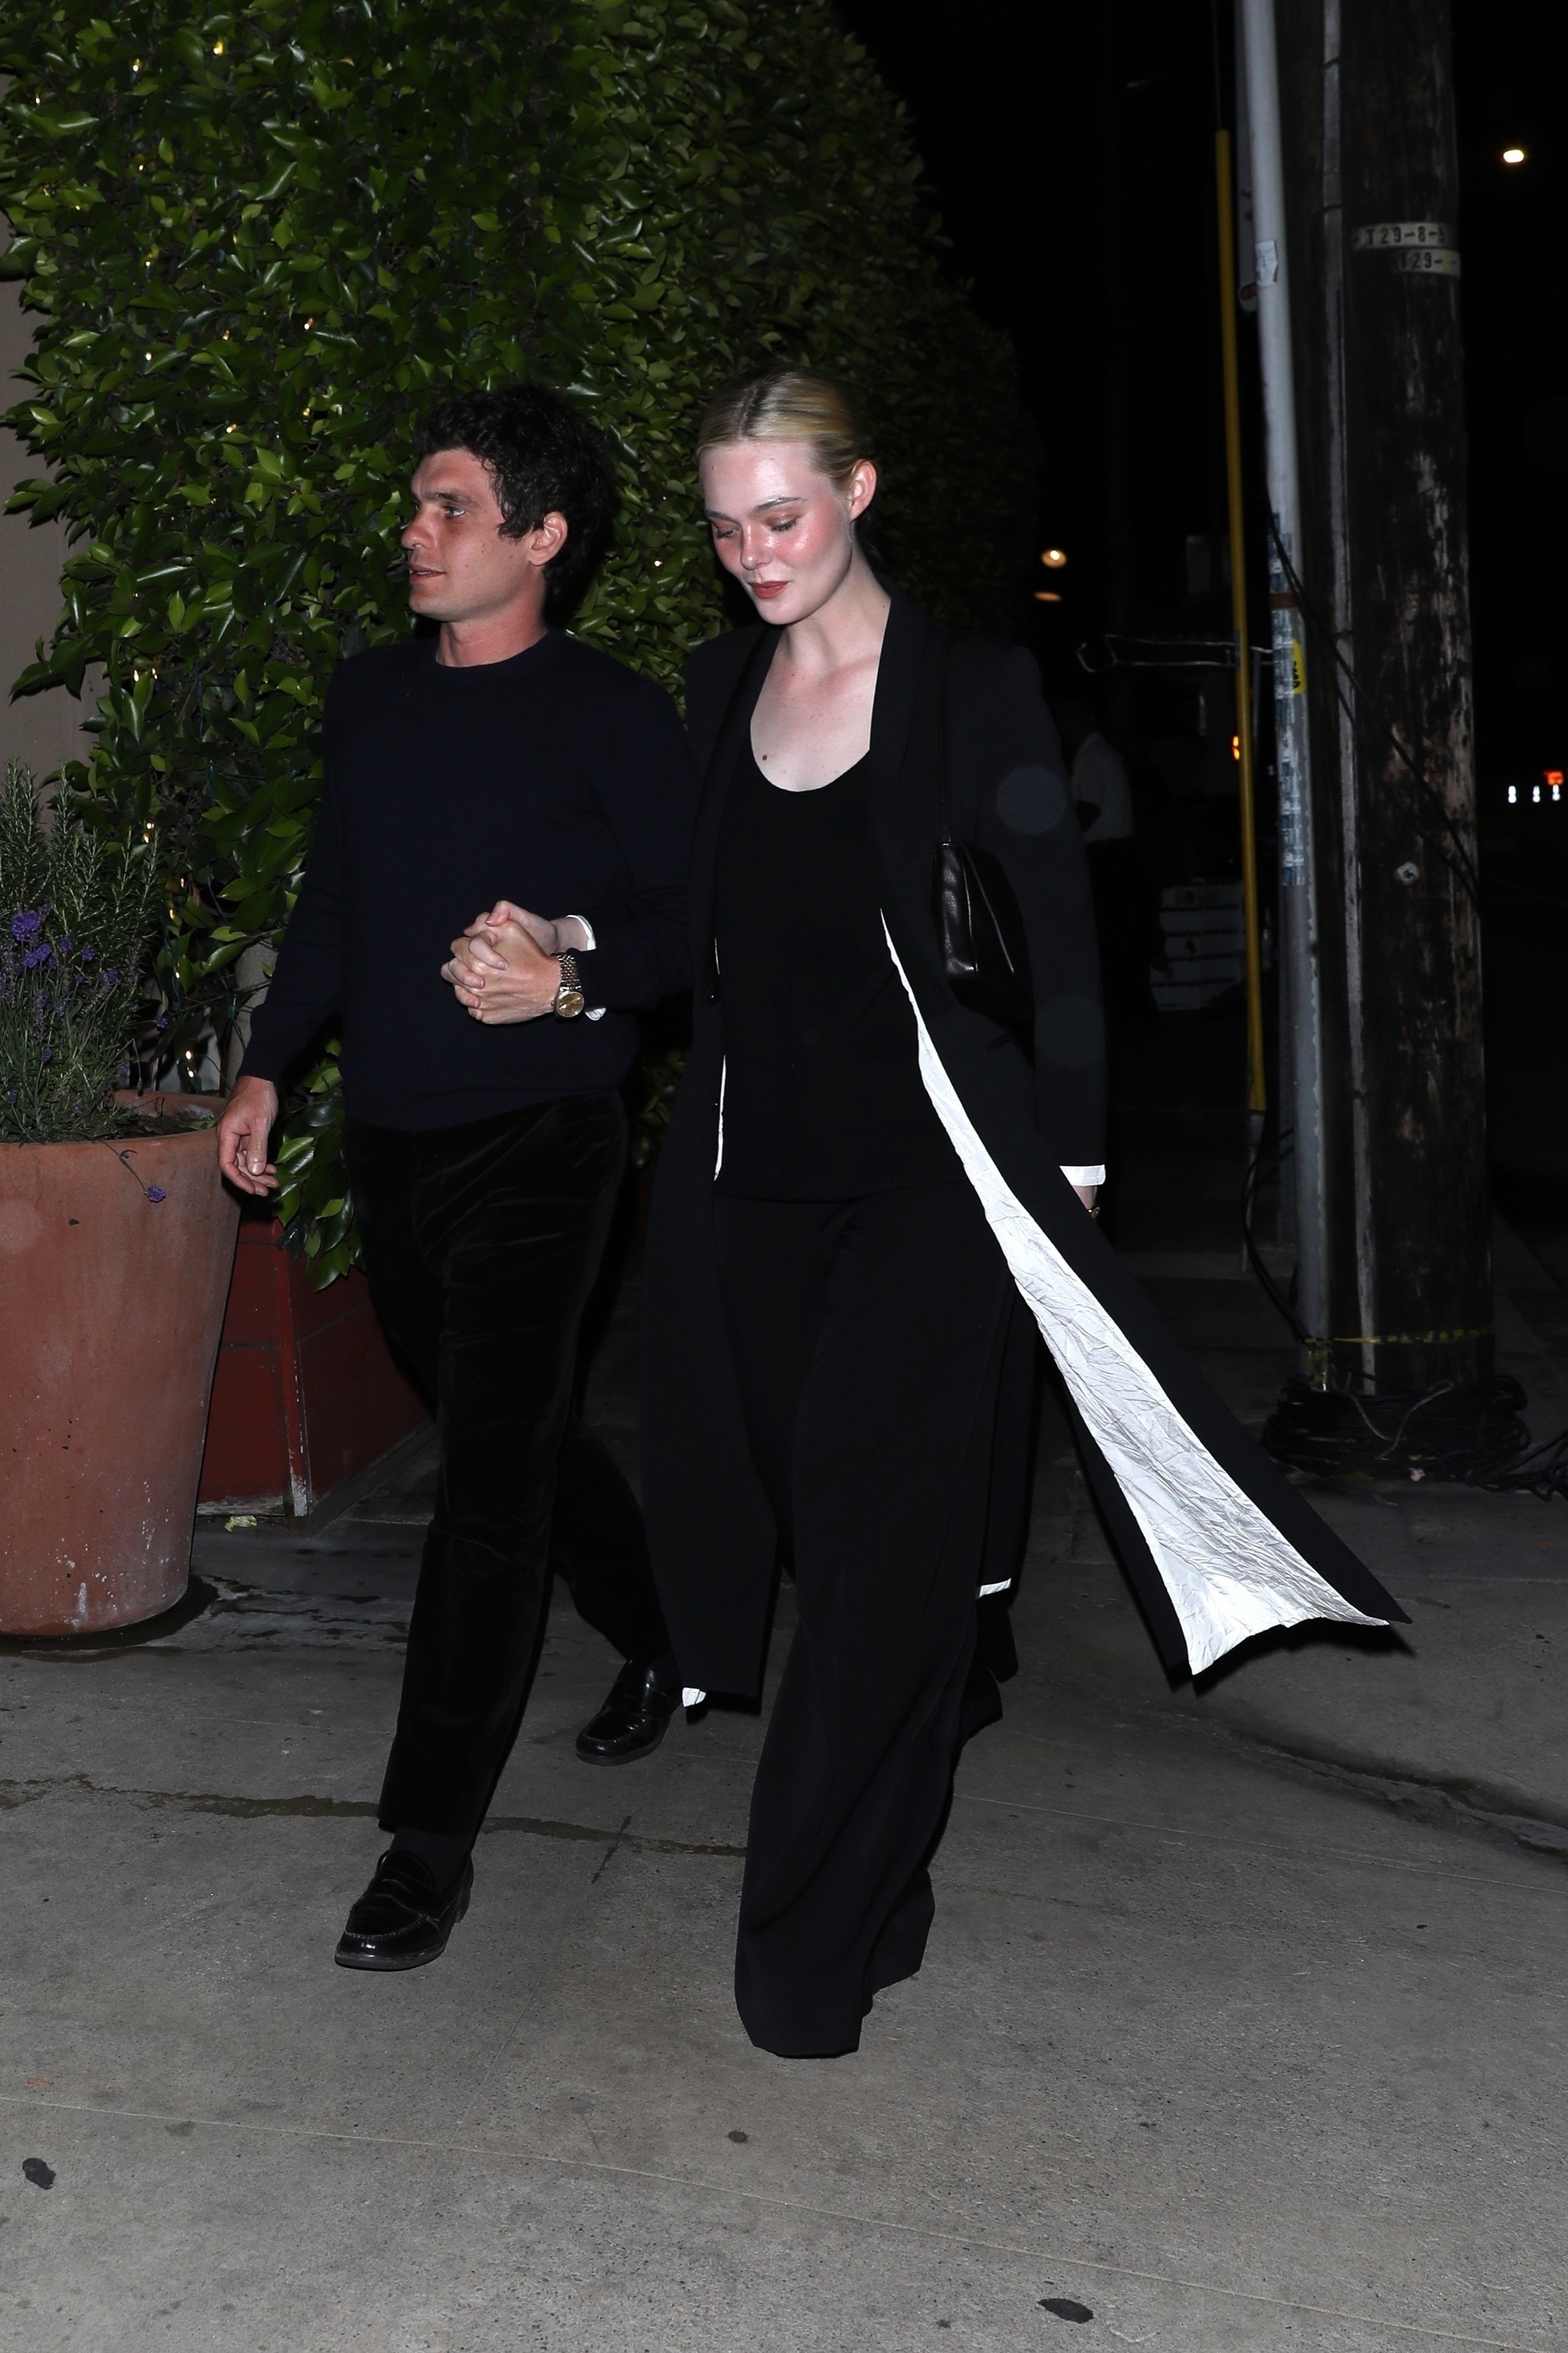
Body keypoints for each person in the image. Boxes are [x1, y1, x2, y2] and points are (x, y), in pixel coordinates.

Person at [615, 366, 1402, 2061]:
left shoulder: (968, 688)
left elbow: (1058, 946)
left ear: (858, 491)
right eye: (727, 528)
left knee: (869, 1570)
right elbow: (694, 939)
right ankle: (889, 1879)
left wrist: (1076, 1169)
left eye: (782, 515)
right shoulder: (717, 686)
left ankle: (800, 1953)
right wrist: (576, 958)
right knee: (846, 1553)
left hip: (935, 1190)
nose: (754, 554)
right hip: (758, 1197)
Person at [216, 385, 700, 1972]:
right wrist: (268, 1066)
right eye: (416, 507)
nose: (414, 534)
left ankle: (421, 1849)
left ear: (540, 537)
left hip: (546, 1142)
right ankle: (669, 1635)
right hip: (396, 1142)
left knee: (483, 1496)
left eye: (451, 511)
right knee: (522, 1436)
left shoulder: (614, 717)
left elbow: (691, 931)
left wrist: (568, 981)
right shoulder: (372, 696)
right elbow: (337, 904)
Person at [1057, 694, 1153, 1023]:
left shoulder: (1094, 756)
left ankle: (1125, 1012)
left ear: (1088, 719)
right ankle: (1128, 1010)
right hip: (1112, 856)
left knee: (1112, 937)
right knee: (1117, 936)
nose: (1067, 726)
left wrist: (1058, 843)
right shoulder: (1092, 755)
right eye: (1064, 719)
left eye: (1072, 717)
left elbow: (1087, 811)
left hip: (1108, 858)